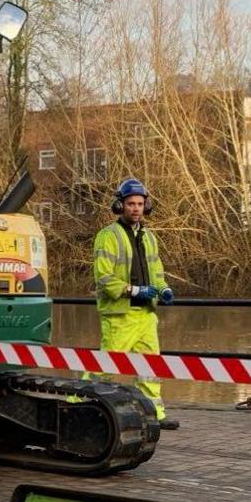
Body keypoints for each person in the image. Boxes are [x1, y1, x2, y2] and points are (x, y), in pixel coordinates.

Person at [91, 178, 177, 429]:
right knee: (106, 364)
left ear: (146, 207)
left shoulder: (149, 237)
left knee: (150, 366)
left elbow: (156, 270)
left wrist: (163, 289)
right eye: (131, 204)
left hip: (146, 314)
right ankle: (77, 402)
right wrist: (135, 290)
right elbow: (105, 278)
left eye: (140, 204)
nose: (136, 208)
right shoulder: (107, 236)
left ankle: (156, 413)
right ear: (120, 206)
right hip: (120, 314)